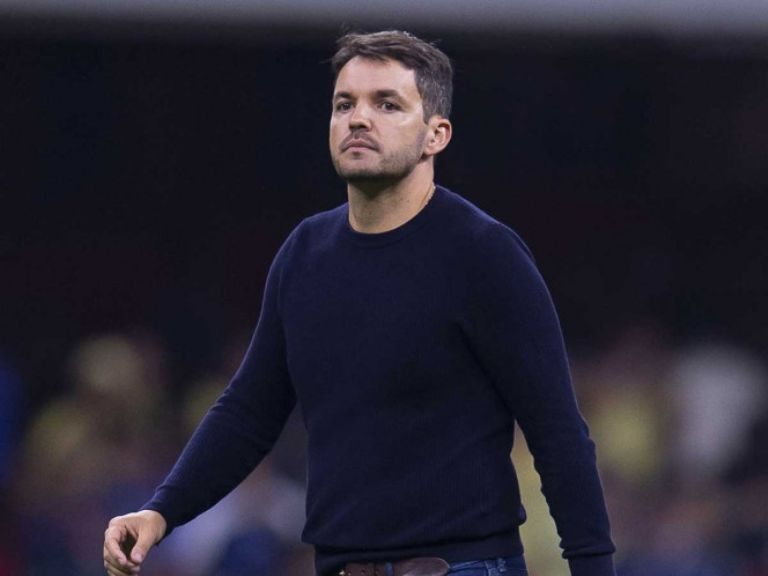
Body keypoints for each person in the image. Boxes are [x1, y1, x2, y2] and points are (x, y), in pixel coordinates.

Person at [103, 30, 616, 576]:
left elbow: (557, 431)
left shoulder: (483, 254)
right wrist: (162, 512)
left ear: (436, 134)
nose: (358, 119)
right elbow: (248, 411)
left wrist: (593, 568)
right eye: (344, 104)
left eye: (387, 104)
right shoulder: (304, 253)